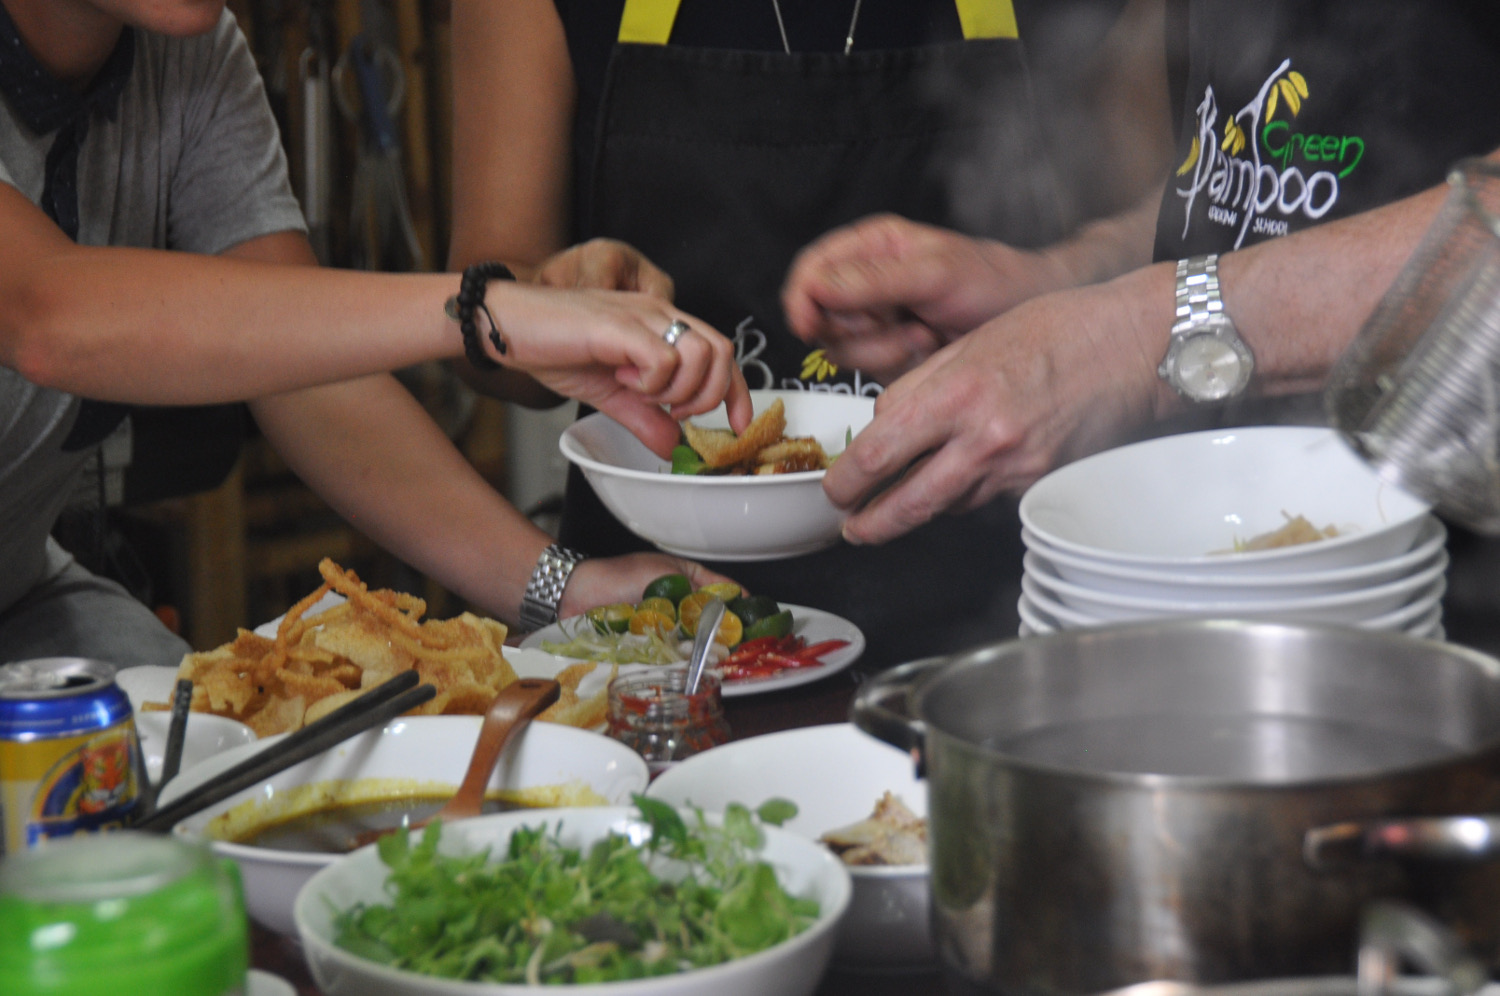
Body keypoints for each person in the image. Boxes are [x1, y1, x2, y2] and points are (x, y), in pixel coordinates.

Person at [0, 0, 752, 669]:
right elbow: (48, 316)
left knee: (190, 778)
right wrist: (484, 309)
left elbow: (305, 373)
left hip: (24, 590)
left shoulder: (193, 55)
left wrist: (564, 590)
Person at [447, 0, 1173, 667]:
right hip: (658, 630)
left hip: (1004, 621)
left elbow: (1173, 236)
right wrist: (558, 308)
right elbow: (486, 344)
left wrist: (1046, 274)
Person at [781, 0, 1500, 546]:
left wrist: (1138, 334)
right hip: (1224, 544)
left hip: (1454, 583)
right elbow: (1240, 179)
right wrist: (1066, 276)